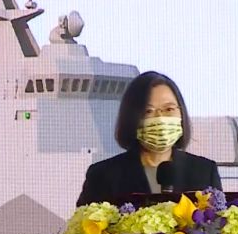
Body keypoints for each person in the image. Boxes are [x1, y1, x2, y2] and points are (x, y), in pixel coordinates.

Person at [76, 71, 222, 206]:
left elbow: (217, 226)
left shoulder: (204, 171)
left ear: (181, 113)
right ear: (132, 117)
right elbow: (83, 230)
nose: (160, 118)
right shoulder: (103, 175)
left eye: (169, 109)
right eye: (148, 111)